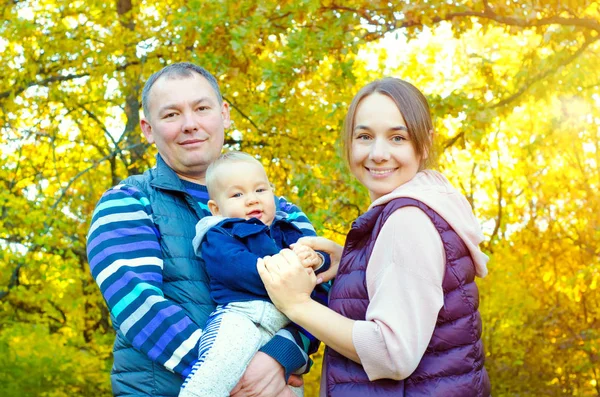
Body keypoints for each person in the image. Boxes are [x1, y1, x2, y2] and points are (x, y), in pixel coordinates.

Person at [86, 63, 322, 397]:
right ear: (148, 129)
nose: (190, 124)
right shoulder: (127, 201)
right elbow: (138, 305)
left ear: (224, 114)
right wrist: (232, 377)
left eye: (201, 108)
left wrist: (278, 359)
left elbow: (315, 296)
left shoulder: (282, 212)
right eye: (170, 115)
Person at [257, 77, 492, 396]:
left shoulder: (407, 221)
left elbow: (392, 354)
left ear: (424, 144)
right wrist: (355, 262)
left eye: (398, 137)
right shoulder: (422, 207)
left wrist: (296, 304)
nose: (378, 153)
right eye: (365, 136)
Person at [179, 151, 330, 397]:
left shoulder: (287, 230)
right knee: (218, 369)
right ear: (216, 209)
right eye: (238, 194)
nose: (252, 200)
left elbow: (322, 275)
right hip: (242, 316)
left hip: (285, 325)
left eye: (260, 190)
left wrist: (316, 259)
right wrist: (292, 277)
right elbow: (236, 267)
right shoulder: (220, 234)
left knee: (287, 390)